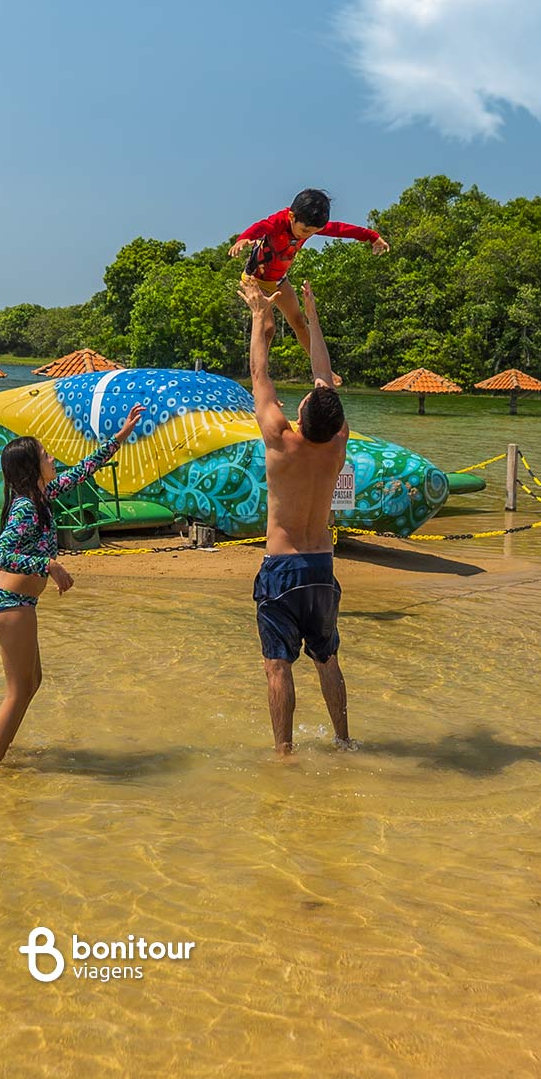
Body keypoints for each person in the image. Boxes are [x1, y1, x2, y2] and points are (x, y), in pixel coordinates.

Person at [0, 404, 146, 764]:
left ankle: (0, 750)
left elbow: (84, 471)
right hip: (10, 604)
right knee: (18, 690)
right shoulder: (25, 507)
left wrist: (120, 437)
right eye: (45, 454)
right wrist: (48, 564)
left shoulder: (42, 497)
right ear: (30, 468)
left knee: (31, 684)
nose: (52, 457)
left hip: (18, 604)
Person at [238, 274, 356, 756]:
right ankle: (344, 740)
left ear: (301, 415)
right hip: (321, 569)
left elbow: (258, 375)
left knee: (277, 666)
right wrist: (309, 317)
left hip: (282, 569)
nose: (310, 392)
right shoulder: (338, 445)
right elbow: (324, 378)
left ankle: (284, 753)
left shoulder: (281, 441)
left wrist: (259, 316)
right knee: (327, 660)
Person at [229, 188, 389, 384]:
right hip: (254, 279)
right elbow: (260, 226)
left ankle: (325, 372)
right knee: (268, 327)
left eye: (313, 233)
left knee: (299, 323)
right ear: (291, 216)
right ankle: (260, 382)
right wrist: (243, 238)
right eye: (305, 231)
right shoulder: (278, 222)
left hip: (279, 280)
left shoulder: (310, 223)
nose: (308, 235)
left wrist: (372, 236)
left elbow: (341, 229)